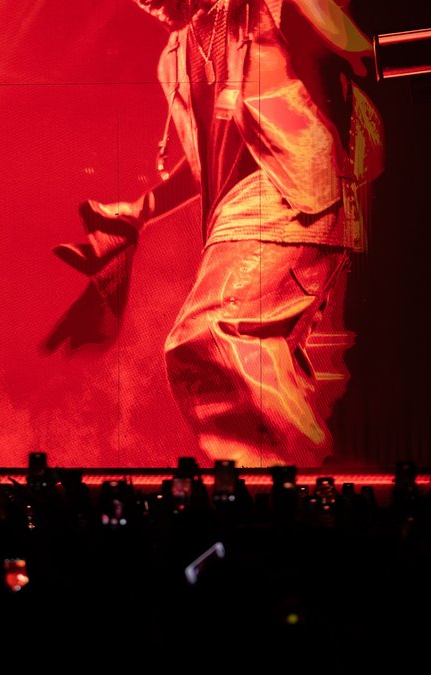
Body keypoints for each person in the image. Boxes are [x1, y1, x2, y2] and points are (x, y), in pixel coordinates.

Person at [49, 0, 383, 467]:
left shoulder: (263, 6)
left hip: (293, 188)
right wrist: (138, 211)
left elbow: (359, 54)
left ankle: (285, 480)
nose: (147, 4)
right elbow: (206, 156)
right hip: (235, 211)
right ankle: (288, 478)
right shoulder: (174, 54)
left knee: (211, 335)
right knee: (262, 365)